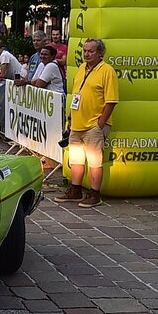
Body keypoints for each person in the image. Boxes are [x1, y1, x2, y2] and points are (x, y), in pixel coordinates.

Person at [54, 39, 119, 208]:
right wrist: (70, 118)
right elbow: (77, 95)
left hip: (94, 124)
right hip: (77, 123)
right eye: (85, 51)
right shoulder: (82, 68)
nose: (86, 54)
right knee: (76, 159)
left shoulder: (107, 71)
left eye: (91, 51)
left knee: (95, 160)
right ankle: (75, 190)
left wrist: (100, 123)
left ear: (100, 53)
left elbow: (111, 101)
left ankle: (94, 194)